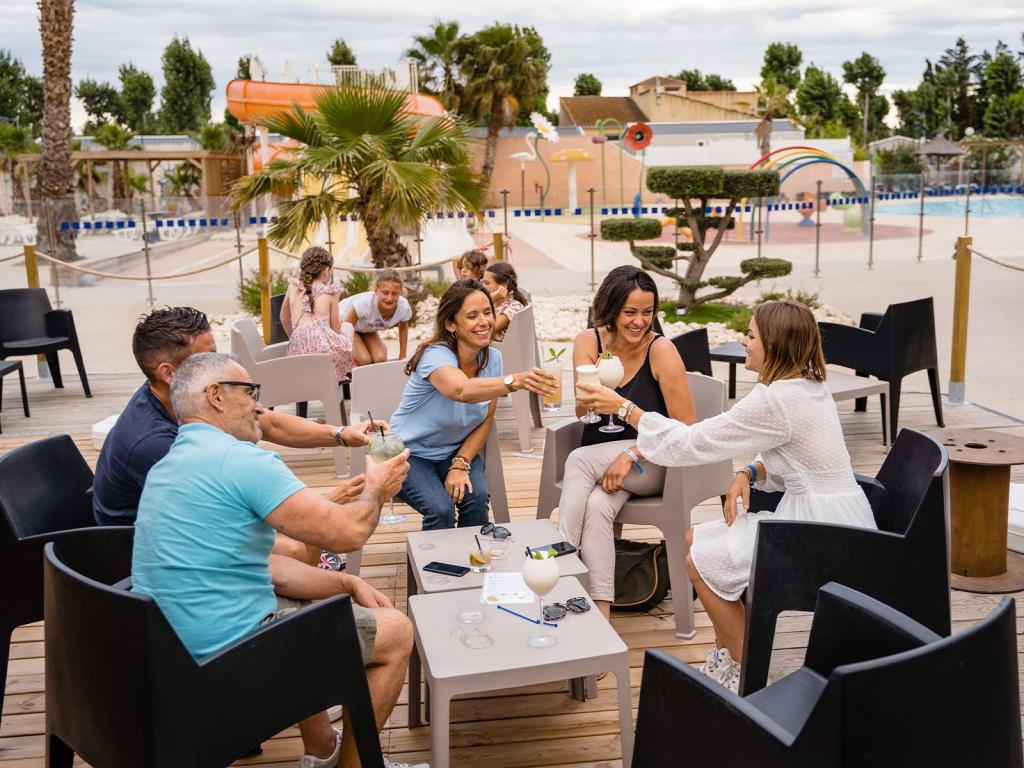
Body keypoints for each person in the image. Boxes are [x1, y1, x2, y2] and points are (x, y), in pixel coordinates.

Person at [132, 352, 424, 768]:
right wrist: (376, 489)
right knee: (396, 632)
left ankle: (322, 752)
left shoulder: (170, 465)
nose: (259, 406)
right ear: (215, 395)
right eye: (250, 392)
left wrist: (347, 584)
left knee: (311, 606)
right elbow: (349, 532)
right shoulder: (241, 461)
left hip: (173, 654)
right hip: (229, 659)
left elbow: (269, 570)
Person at [577, 300, 875, 693]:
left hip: (820, 533)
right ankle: (732, 659)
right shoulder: (807, 387)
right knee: (698, 542)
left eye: (751, 335)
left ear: (775, 344)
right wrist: (749, 471)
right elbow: (802, 460)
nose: (743, 342)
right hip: (843, 518)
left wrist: (626, 409)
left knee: (703, 556)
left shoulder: (775, 399)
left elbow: (691, 442)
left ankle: (746, 677)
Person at [93, 306, 372, 528]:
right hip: (142, 553)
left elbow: (269, 422)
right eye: (207, 359)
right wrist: (327, 506)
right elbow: (225, 516)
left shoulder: (192, 395)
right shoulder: (154, 443)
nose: (221, 365)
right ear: (169, 374)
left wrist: (341, 435)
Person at [557, 266, 695, 619]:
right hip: (607, 462)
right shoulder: (590, 342)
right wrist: (589, 393)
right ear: (612, 308)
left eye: (647, 312)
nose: (639, 322)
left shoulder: (661, 350)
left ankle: (559, 566)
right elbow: (580, 410)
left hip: (653, 463)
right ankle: (601, 617)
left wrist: (631, 451)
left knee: (577, 461)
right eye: (629, 312)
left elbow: (685, 426)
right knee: (597, 507)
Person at [390, 279, 557, 530]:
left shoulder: (493, 359)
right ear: (451, 324)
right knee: (440, 509)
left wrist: (461, 462)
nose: (484, 322)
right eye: (472, 316)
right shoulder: (435, 356)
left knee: (476, 499)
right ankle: (435, 568)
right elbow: (461, 390)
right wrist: (516, 380)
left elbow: (485, 418)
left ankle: (474, 563)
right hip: (408, 452)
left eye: (488, 312)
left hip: (453, 450)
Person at [281, 246, 356, 382]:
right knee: (348, 327)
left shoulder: (293, 287)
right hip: (325, 354)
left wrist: (294, 337)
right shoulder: (330, 293)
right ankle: (344, 370)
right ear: (326, 270)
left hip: (297, 351)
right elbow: (336, 329)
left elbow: (284, 317)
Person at [340, 269, 412, 365]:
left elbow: (403, 329)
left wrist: (402, 356)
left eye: (394, 293)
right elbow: (347, 327)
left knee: (380, 358)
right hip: (344, 323)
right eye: (385, 293)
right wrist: (346, 355)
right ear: (376, 290)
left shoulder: (403, 306)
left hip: (365, 328)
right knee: (364, 359)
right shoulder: (365, 303)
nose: (389, 298)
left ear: (400, 292)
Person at [482, 262, 527, 342]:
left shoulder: (513, 307)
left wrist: (490, 299)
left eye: (487, 283)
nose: (483, 286)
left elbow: (486, 330)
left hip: (496, 351)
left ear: (503, 286)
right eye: (482, 282)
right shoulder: (495, 303)